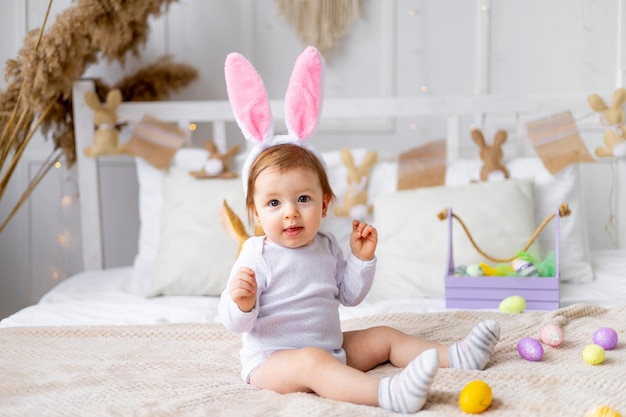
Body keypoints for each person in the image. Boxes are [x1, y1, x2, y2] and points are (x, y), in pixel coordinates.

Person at [218, 143, 501, 414]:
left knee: (384, 337)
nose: (290, 211)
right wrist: (242, 302)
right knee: (312, 361)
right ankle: (390, 393)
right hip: (272, 363)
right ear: (256, 213)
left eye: (303, 199)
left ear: (324, 204)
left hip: (331, 348)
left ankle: (458, 356)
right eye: (274, 203)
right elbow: (235, 323)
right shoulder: (257, 254)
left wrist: (360, 259)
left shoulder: (326, 245)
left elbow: (349, 296)